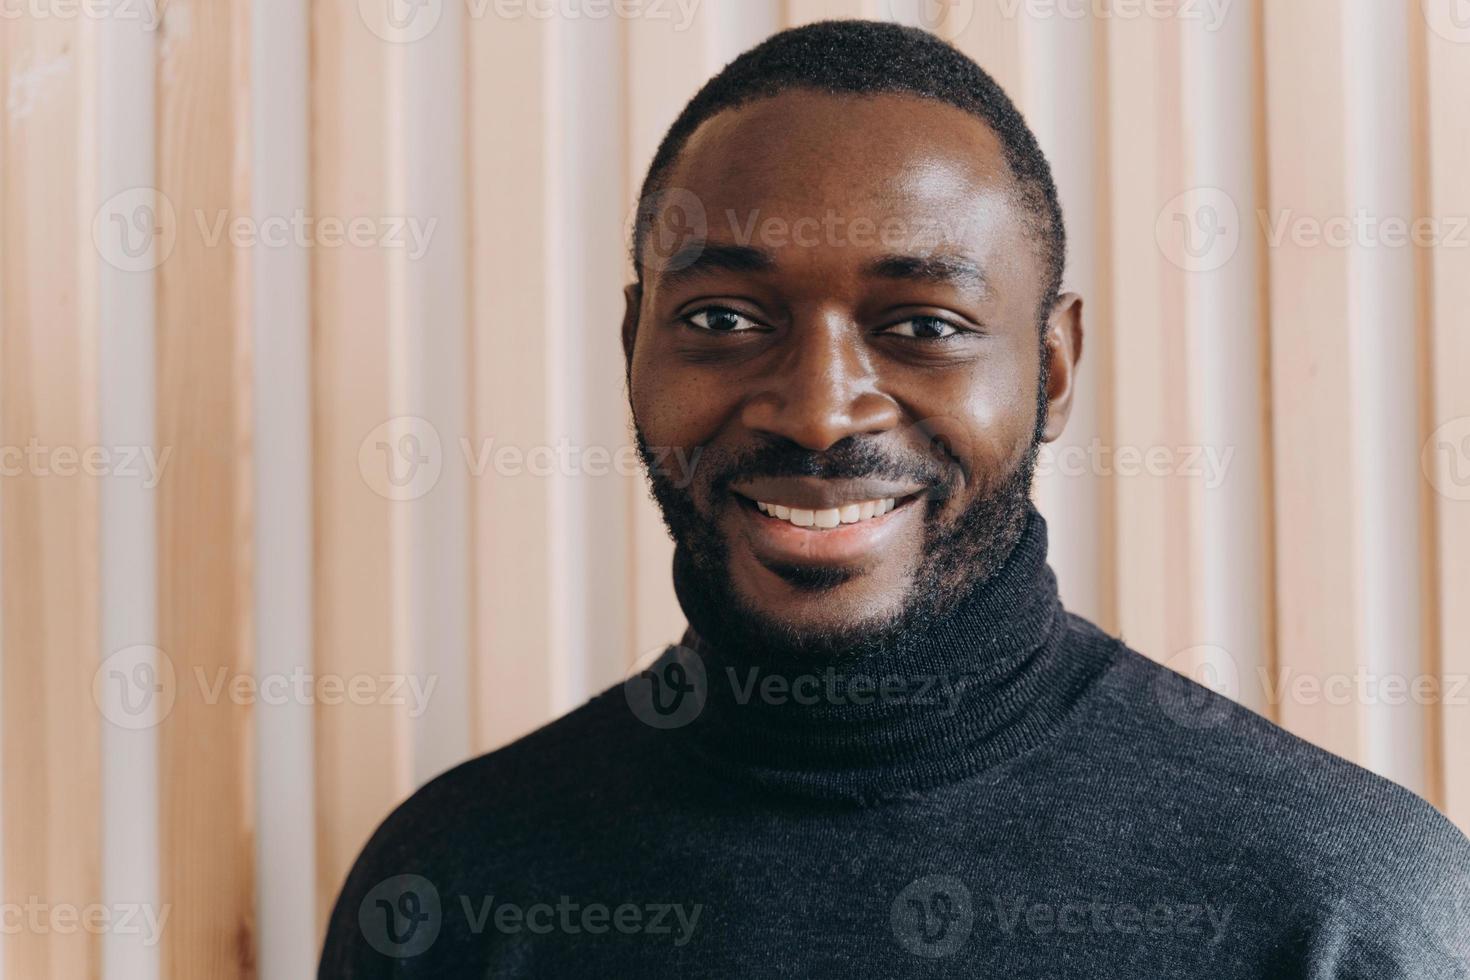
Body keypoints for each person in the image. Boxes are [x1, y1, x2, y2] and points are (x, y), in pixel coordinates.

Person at [320, 20, 1470, 977]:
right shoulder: (455, 885)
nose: (819, 413)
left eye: (923, 325)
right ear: (634, 346)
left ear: (1054, 369)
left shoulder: (1340, 908)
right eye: (723, 319)